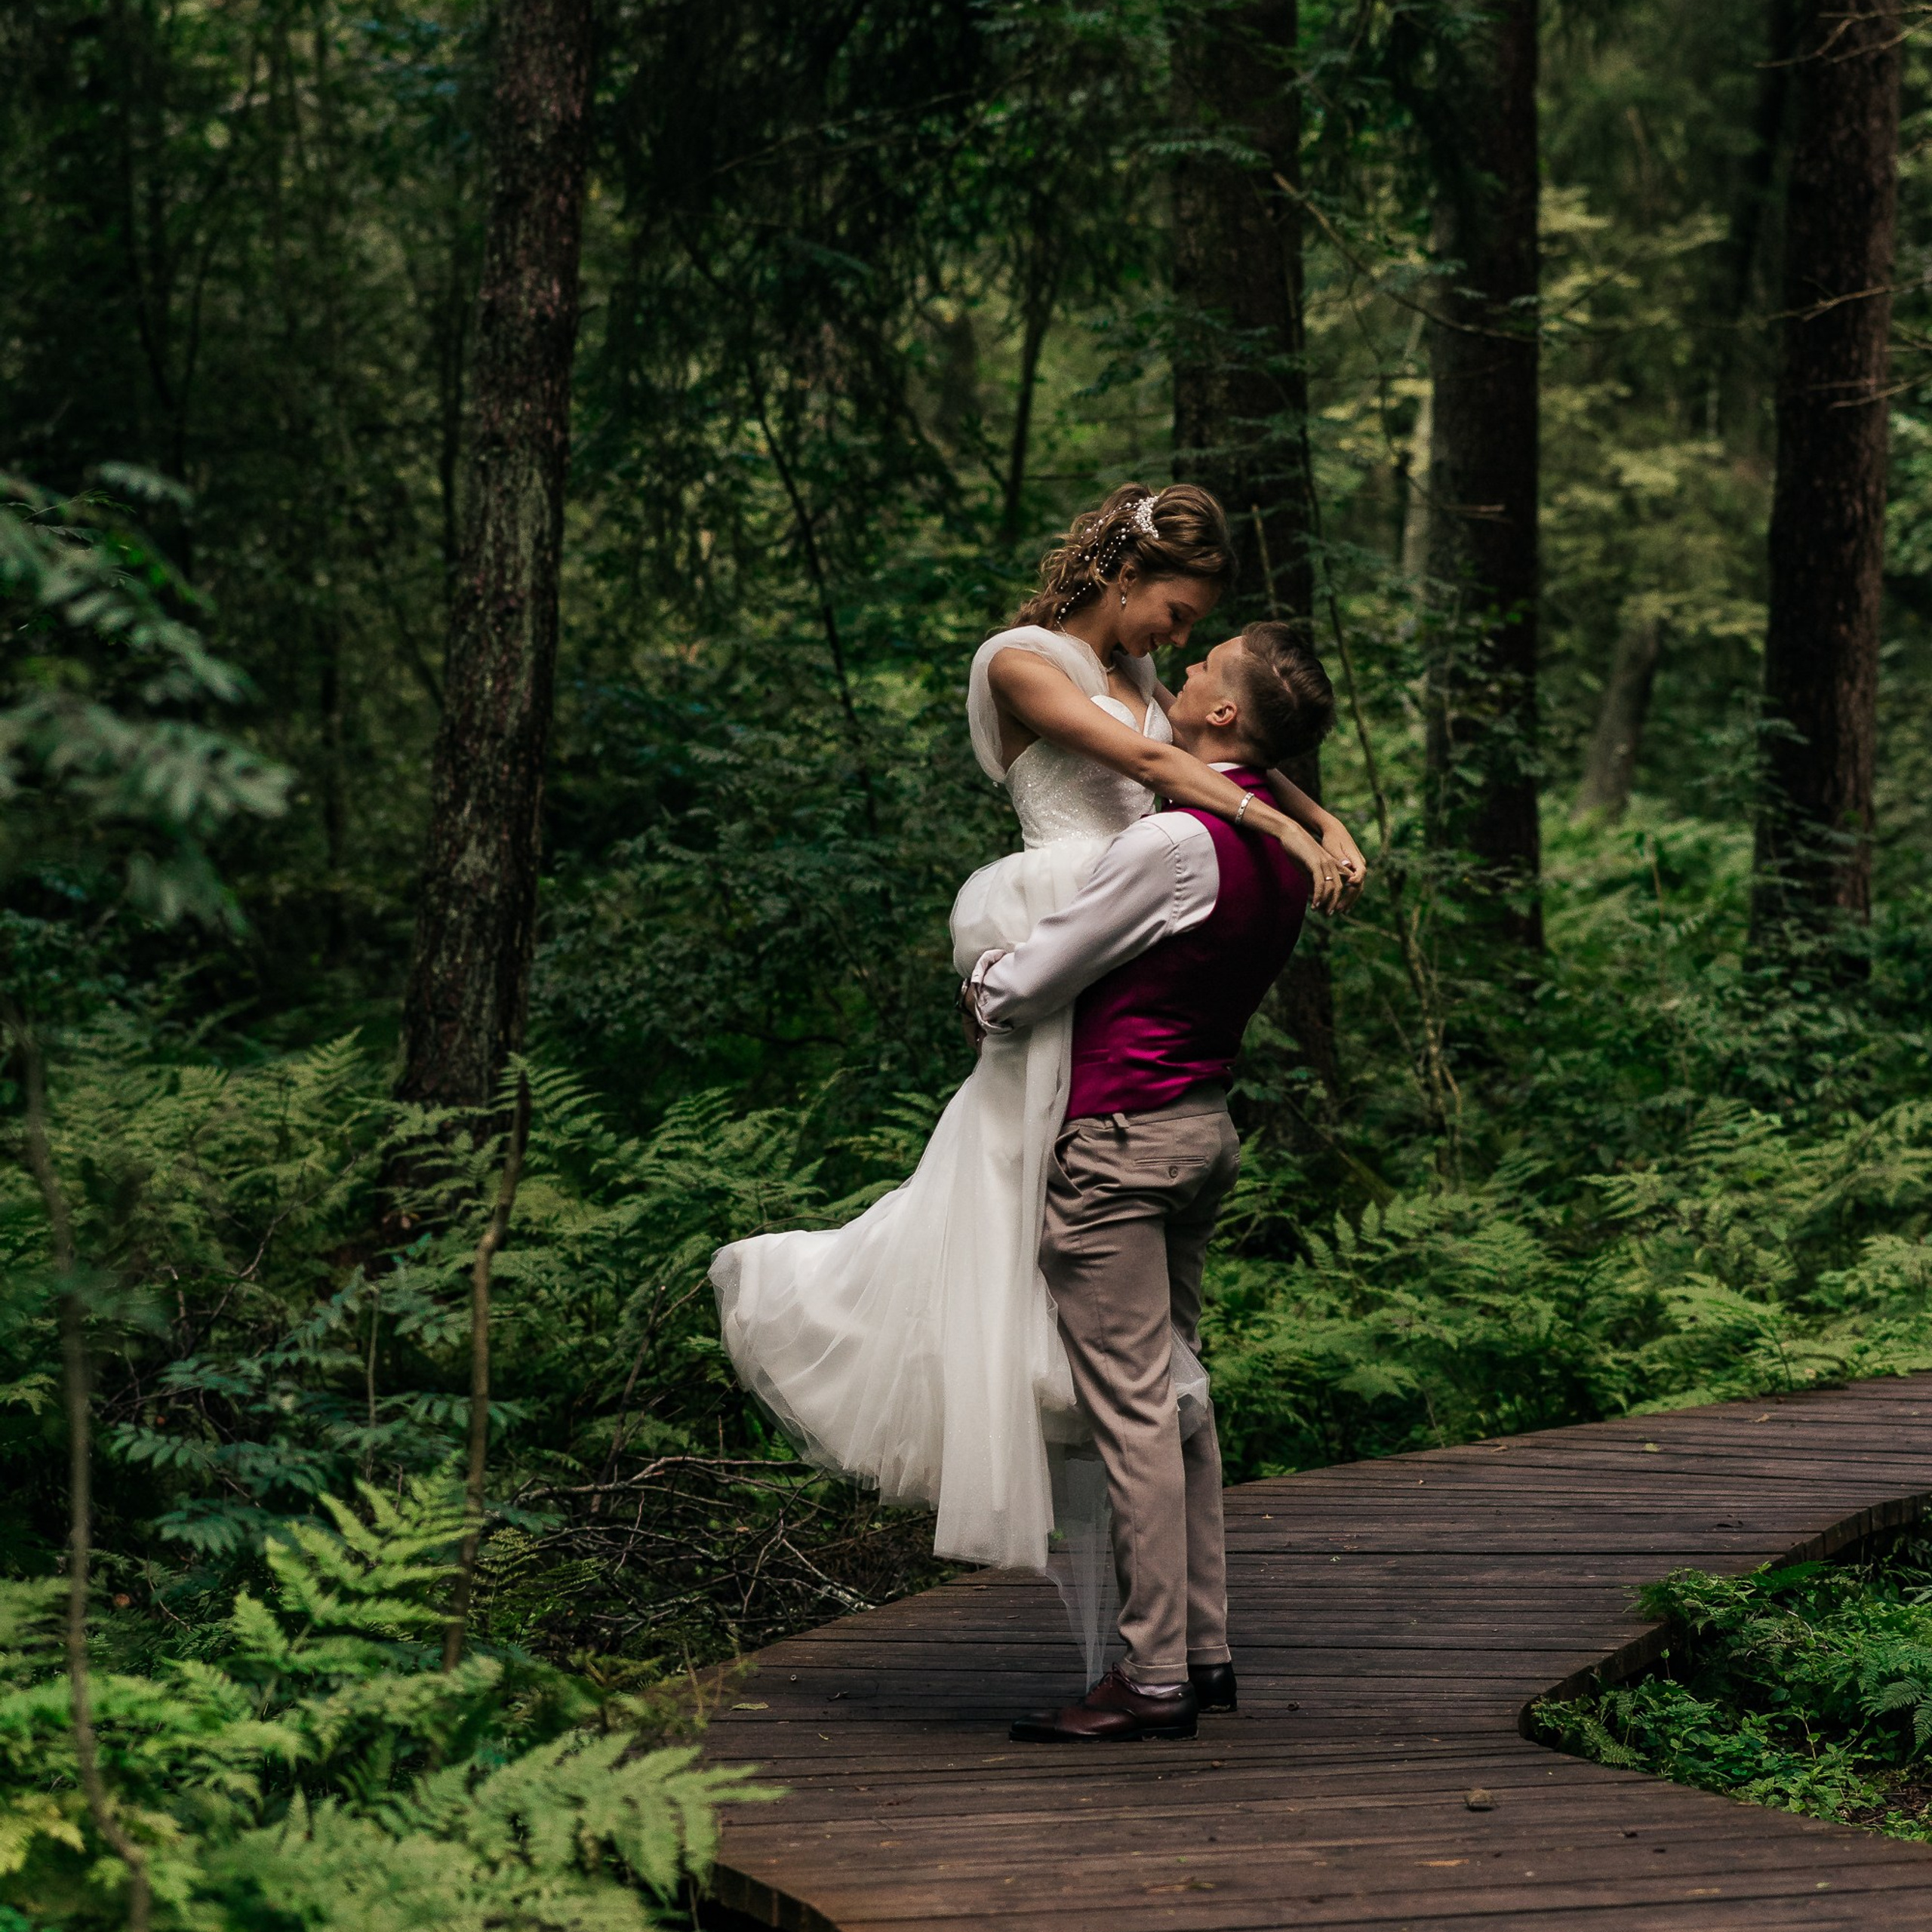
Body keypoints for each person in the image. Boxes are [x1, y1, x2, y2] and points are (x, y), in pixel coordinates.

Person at [710, 483, 1364, 1583]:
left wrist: (1327, 819)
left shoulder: (1147, 675)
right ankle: (989, 1359)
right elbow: (1160, 766)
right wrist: (1278, 832)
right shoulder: (1019, 660)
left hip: (1132, 916)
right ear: (1126, 576)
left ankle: (1088, 1381)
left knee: (1067, 1172)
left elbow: (1222, 746)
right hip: (1070, 910)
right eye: (1179, 611)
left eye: (1199, 628)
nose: (1183, 639)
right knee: (1015, 1169)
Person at [978, 622, 1334, 1742]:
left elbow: (1026, 985)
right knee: (1181, 1396)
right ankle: (1206, 1647)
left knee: (1134, 1410)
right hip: (1201, 1130)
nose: (1177, 674)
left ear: (1224, 716)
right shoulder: (1280, 851)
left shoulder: (1174, 845)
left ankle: (1152, 1677)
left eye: (1200, 667)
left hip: (1124, 1146)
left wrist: (984, 965)